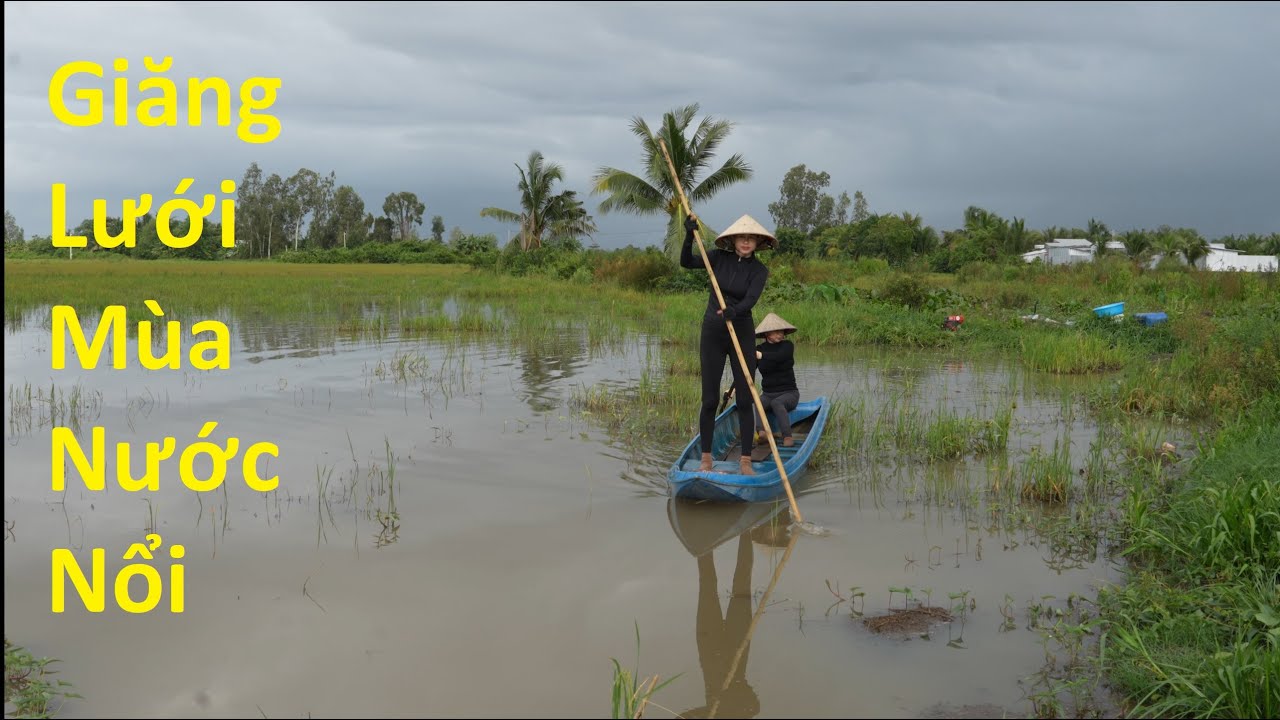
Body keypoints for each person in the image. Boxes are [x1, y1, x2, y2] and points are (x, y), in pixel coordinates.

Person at [681, 213, 775, 476]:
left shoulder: (759, 270)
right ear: (733, 240)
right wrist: (689, 235)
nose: (745, 242)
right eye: (741, 238)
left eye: (751, 238)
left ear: (757, 243)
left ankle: (745, 461)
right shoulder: (717, 258)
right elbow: (686, 262)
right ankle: (706, 459)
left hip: (741, 333)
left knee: (744, 399)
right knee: (710, 399)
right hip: (713, 332)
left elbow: (751, 299)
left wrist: (735, 311)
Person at [751, 313, 799, 459]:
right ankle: (762, 433)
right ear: (767, 334)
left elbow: (779, 357)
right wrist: (733, 388)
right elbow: (749, 370)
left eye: (782, 331)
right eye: (776, 331)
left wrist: (762, 356)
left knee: (777, 403)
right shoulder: (759, 348)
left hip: (789, 393)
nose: (780, 334)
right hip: (768, 393)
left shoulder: (787, 346)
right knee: (758, 402)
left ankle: (787, 436)